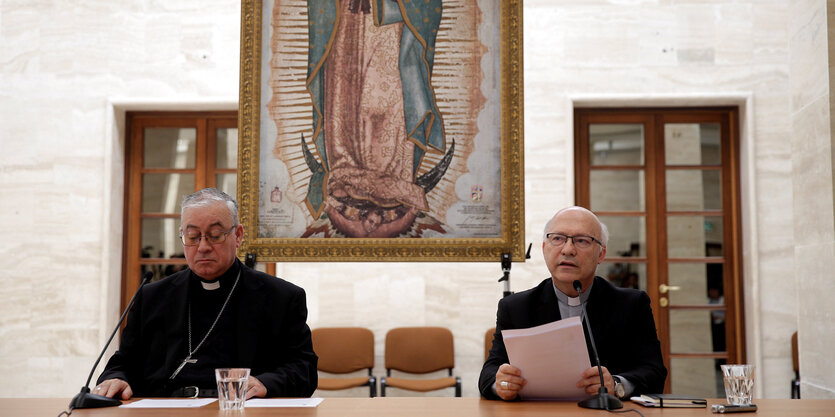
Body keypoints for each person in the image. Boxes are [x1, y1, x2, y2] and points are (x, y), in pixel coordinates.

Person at [95, 188, 318, 399]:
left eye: (215, 234)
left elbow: (304, 369)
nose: (203, 247)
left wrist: (265, 383)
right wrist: (115, 378)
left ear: (238, 235)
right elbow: (123, 362)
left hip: (241, 410)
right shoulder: (152, 298)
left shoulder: (281, 297)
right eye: (193, 237)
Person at [479, 206, 666, 401]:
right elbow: (489, 372)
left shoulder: (631, 305)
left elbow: (654, 372)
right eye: (558, 239)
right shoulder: (515, 307)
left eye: (582, 241)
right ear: (545, 249)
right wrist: (500, 383)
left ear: (601, 254)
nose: (568, 250)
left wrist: (617, 385)